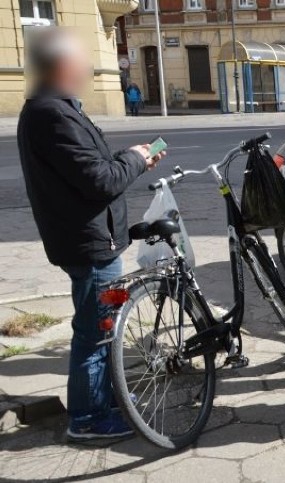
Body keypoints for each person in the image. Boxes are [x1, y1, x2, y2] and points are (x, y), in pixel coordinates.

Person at [17, 27, 165, 441]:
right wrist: (134, 162)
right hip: (89, 244)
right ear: (62, 65)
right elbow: (99, 180)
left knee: (104, 327)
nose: (89, 67)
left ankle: (105, 402)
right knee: (96, 332)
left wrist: (132, 158)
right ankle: (88, 418)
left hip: (94, 239)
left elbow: (94, 167)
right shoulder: (51, 113)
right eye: (82, 60)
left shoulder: (59, 107)